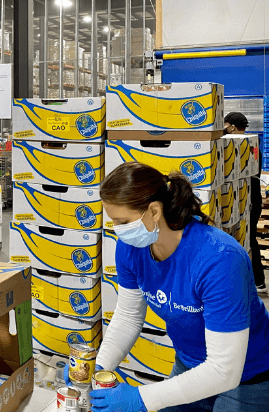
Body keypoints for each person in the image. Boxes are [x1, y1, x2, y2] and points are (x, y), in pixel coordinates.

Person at [67, 162, 269, 412]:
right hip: (190, 365)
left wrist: (141, 398)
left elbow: (224, 370)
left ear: (153, 211)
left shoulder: (219, 259)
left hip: (246, 377)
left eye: (123, 221)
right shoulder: (131, 249)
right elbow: (129, 316)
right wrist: (99, 365)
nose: (118, 231)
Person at [225, 111, 266, 294]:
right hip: (251, 198)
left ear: (232, 126)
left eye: (226, 125)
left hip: (245, 199)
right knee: (245, 238)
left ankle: (258, 281)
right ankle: (252, 279)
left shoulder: (238, 144)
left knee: (247, 238)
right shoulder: (253, 144)